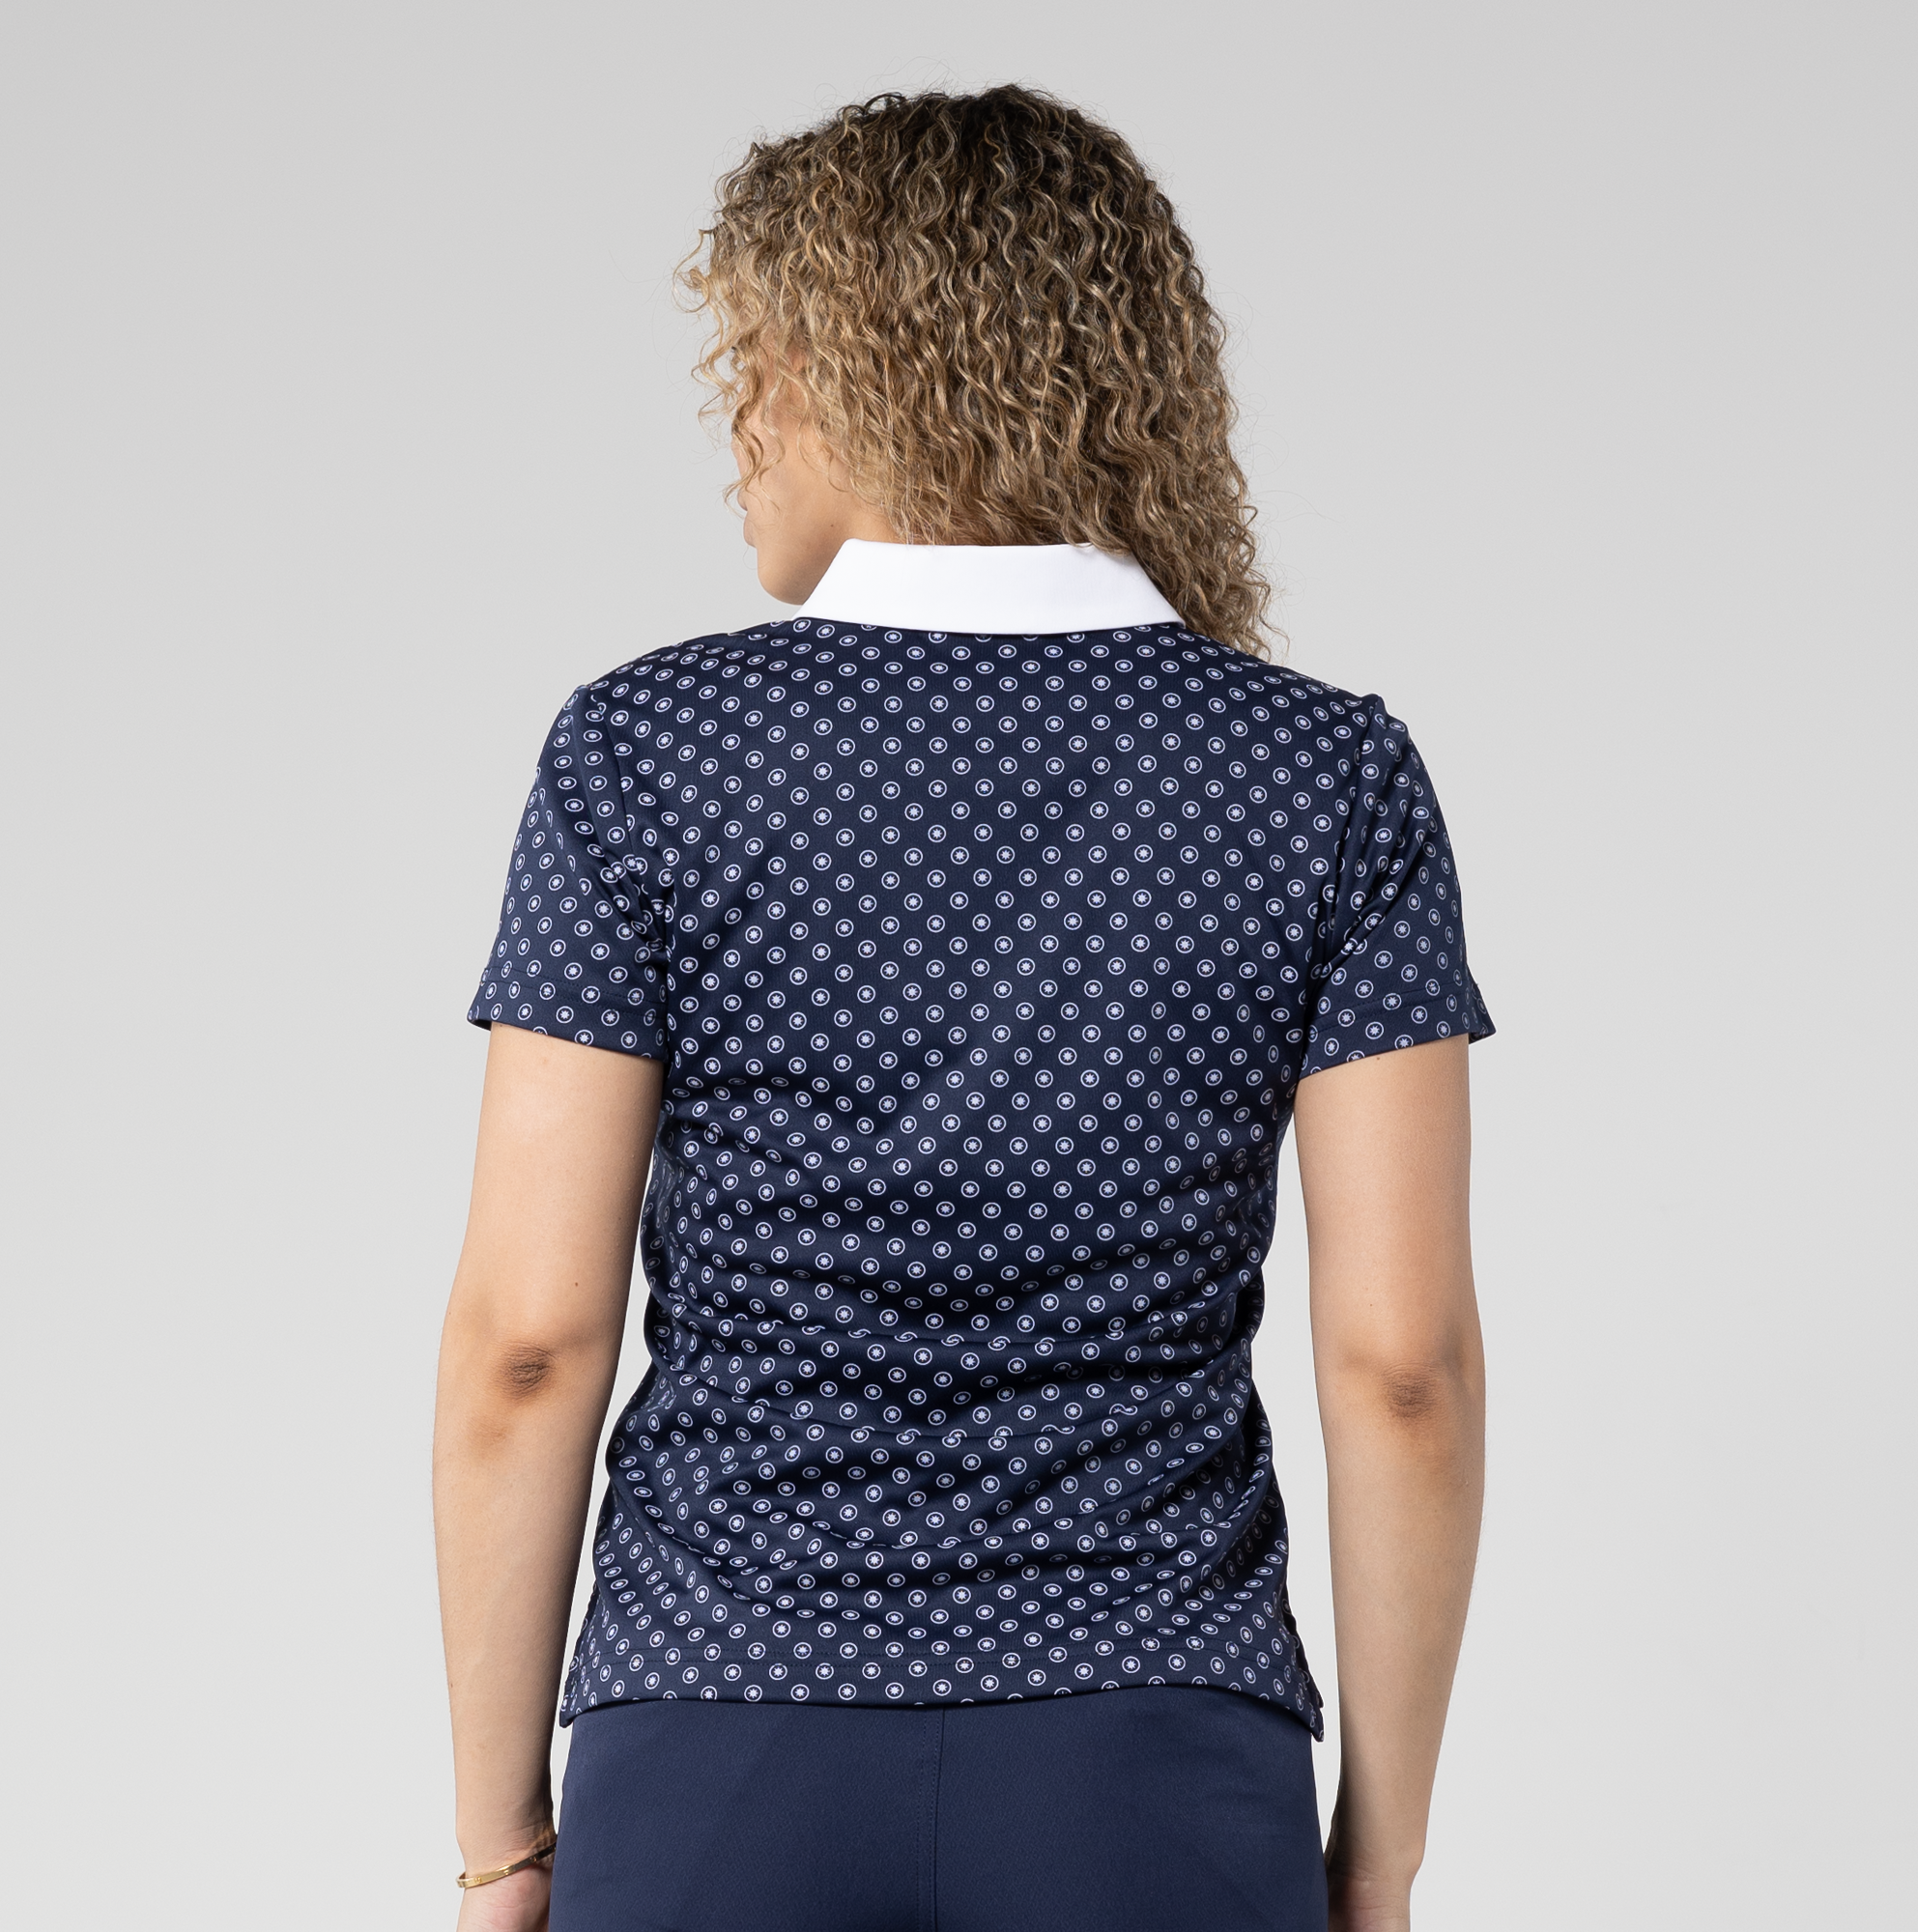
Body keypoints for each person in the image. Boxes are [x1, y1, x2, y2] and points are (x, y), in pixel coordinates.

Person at [435, 84, 1490, 1932]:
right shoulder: (1326, 777)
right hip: (1156, 1748)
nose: (737, 425)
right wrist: (1377, 1861)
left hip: (719, 1726)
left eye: (753, 362)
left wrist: (502, 1844)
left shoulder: (643, 755)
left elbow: (528, 1347)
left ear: (862, 370)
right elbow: (1403, 1373)